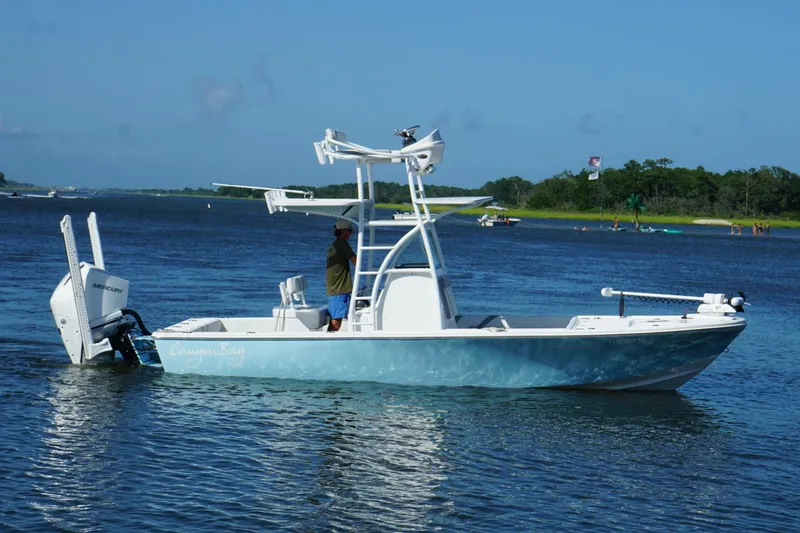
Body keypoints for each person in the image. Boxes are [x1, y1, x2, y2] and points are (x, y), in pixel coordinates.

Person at [326, 219, 357, 332]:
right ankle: (329, 345)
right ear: (344, 231)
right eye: (350, 231)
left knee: (334, 320)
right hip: (339, 289)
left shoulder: (335, 245)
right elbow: (356, 261)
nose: (350, 234)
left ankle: (329, 341)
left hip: (335, 288)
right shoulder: (342, 244)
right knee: (336, 322)